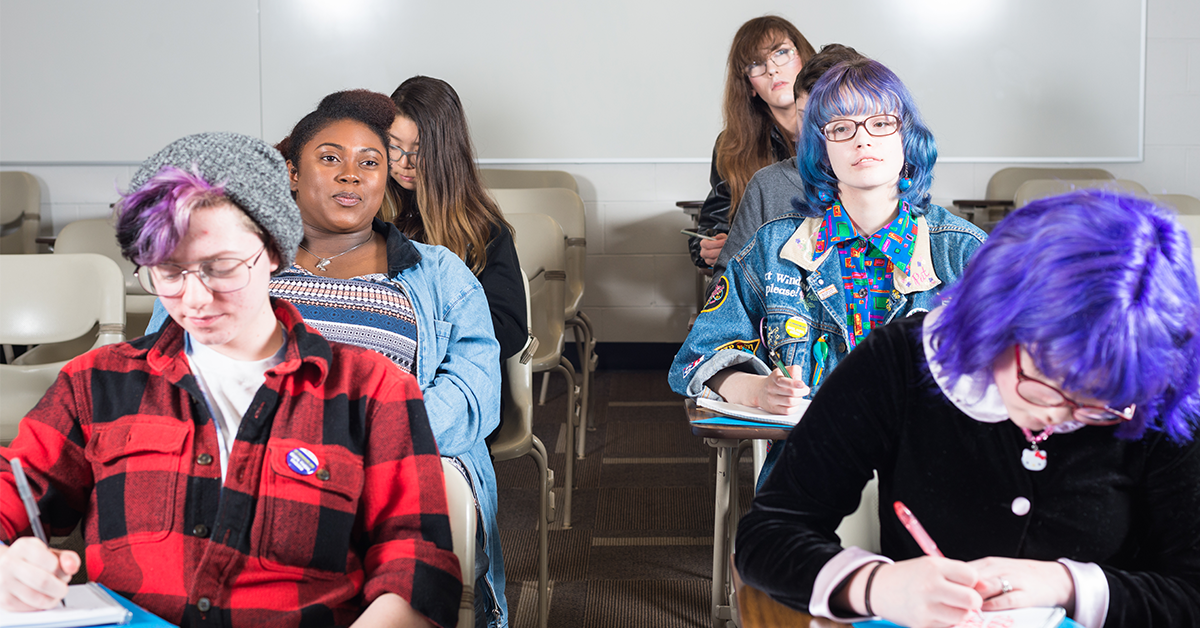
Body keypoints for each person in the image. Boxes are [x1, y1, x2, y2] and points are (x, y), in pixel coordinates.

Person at [0, 132, 462, 628]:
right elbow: (11, 492)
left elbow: (418, 568)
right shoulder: (94, 383)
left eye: (220, 268)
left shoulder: (372, 390)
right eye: (168, 272)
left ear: (273, 253)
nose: (195, 300)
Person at [735, 190, 1200, 628]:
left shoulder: (1155, 383)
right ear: (994, 322)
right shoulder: (899, 364)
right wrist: (877, 585)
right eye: (1042, 386)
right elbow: (768, 535)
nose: (1061, 417)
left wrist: (1067, 585)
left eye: (1100, 405)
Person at [668, 58, 986, 483]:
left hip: (936, 476)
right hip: (810, 473)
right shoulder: (775, 249)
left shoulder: (963, 253)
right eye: (840, 128)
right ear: (820, 149)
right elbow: (696, 358)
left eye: (880, 123)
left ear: (907, 138)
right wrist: (760, 391)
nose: (861, 140)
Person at [271, 89, 508, 628]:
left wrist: (380, 438)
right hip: (254, 450)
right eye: (330, 158)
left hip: (382, 465)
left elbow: (476, 391)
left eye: (369, 162)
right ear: (290, 172)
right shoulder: (239, 259)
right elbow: (168, 364)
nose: (351, 175)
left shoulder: (437, 271)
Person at [383, 76, 527, 369]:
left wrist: (424, 335)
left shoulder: (484, 231)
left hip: (451, 374)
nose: (404, 162)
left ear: (445, 152)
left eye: (419, 149)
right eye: (393, 147)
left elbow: (509, 330)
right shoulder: (371, 215)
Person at [707, 43, 866, 287]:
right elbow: (725, 287)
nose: (817, 131)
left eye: (835, 120)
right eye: (806, 117)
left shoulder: (887, 179)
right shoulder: (767, 185)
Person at [688, 15, 816, 269]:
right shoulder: (732, 146)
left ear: (803, 57)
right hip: (767, 275)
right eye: (756, 64)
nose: (771, 69)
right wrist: (711, 245)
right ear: (750, 85)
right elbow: (716, 223)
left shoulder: (844, 128)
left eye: (781, 53)